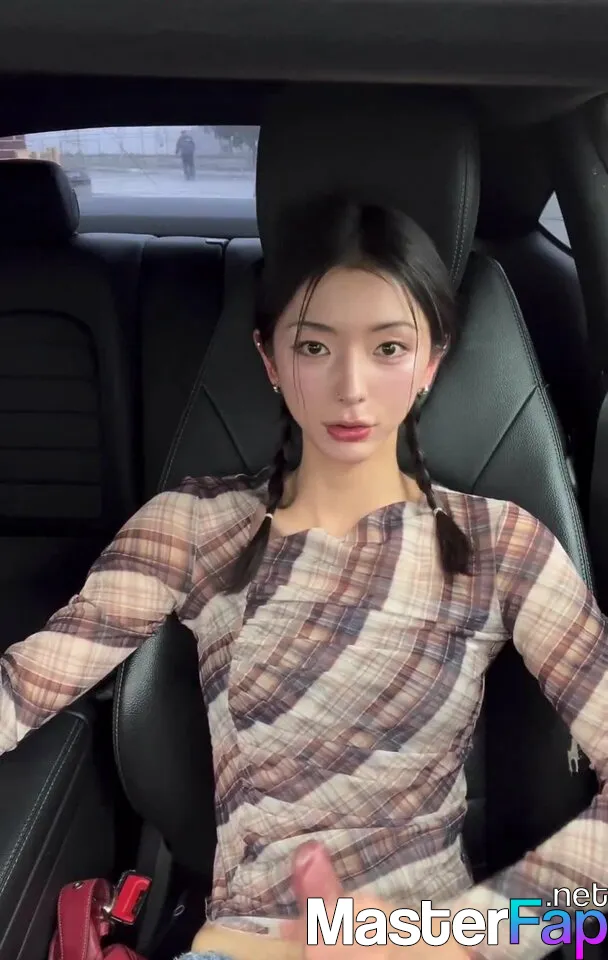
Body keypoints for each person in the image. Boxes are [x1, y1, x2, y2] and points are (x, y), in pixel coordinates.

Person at [1, 194, 607, 960]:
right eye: (315, 347)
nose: (351, 387)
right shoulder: (194, 527)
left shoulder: (500, 544)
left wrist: (456, 936)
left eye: (389, 348)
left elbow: (587, 914)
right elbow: (23, 690)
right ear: (270, 360)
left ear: (431, 362)